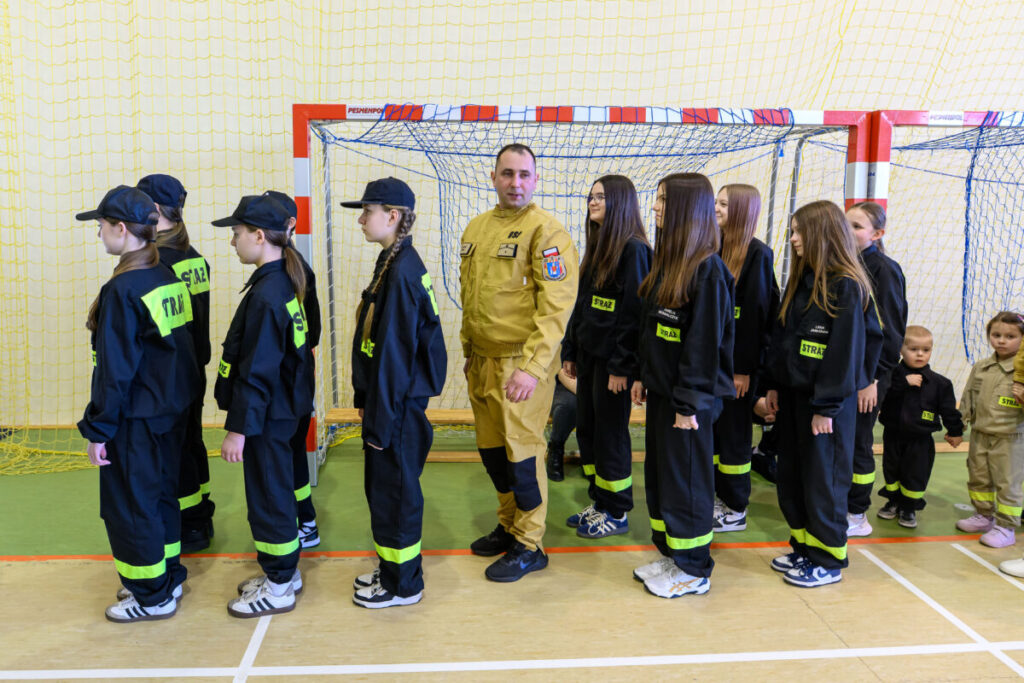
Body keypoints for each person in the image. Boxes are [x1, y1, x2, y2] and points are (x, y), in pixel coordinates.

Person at [76, 185, 200, 622]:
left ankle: (151, 595)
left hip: (136, 417)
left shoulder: (124, 289)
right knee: (162, 494)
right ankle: (167, 575)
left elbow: (116, 370)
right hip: (168, 413)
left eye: (102, 226)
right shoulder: (166, 277)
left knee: (132, 504)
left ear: (122, 229)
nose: (99, 235)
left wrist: (99, 429)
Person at [460, 143, 579, 582]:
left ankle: (530, 544)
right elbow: (471, 297)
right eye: (507, 174)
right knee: (494, 455)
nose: (516, 183)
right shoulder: (476, 228)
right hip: (482, 362)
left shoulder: (547, 233)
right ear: (493, 177)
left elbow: (557, 308)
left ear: (535, 179)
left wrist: (532, 369)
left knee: (523, 457)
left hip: (521, 365)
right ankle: (509, 526)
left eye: (524, 174)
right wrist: (468, 349)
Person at [763, 200, 881, 588]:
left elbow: (844, 355)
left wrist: (826, 407)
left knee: (823, 483)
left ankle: (828, 559)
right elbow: (784, 342)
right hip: (795, 399)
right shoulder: (803, 280)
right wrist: (776, 385)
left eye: (799, 231)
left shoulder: (847, 285)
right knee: (793, 479)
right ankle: (803, 548)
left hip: (826, 407)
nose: (793, 238)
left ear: (820, 234)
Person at [343, 177, 446, 608]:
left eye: (369, 211)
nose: (362, 219)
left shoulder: (402, 271)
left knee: (397, 496)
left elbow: (394, 358)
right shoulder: (393, 259)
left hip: (397, 411)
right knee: (385, 493)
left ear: (394, 216)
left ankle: (404, 585)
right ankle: (391, 571)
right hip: (388, 406)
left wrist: (379, 421)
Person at [630, 173, 735, 598]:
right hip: (664, 394)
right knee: (661, 480)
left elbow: (704, 347)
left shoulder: (709, 271)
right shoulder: (669, 262)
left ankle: (694, 569)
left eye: (661, 200)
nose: (654, 208)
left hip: (688, 404)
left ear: (685, 209)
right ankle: (674, 554)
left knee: (688, 483)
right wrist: (643, 375)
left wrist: (688, 404)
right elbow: (653, 333)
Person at [212, 193, 312, 617]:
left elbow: (257, 370)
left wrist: (239, 429)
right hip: (281, 411)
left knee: (268, 497)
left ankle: (279, 584)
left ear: (258, 235)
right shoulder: (280, 281)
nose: (232, 242)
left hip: (267, 417)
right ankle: (285, 573)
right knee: (276, 493)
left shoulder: (270, 293)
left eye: (236, 234)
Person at [562, 175, 652, 538]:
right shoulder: (598, 247)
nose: (592, 202)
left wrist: (622, 366)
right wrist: (570, 349)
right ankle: (600, 501)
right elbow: (581, 306)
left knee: (611, 436)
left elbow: (635, 315)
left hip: (614, 366)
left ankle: (617, 511)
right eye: (591, 196)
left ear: (620, 203)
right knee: (590, 430)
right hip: (589, 359)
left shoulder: (635, 250)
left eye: (601, 197)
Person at [136, 174, 215, 553]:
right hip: (192, 371)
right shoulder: (193, 258)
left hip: (168, 379)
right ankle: (199, 519)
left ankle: (187, 528)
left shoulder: (158, 263)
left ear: (152, 210)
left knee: (175, 454)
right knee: (192, 445)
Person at [710, 184, 779, 532]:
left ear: (740, 210)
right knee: (716, 436)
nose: (716, 208)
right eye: (716, 202)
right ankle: (717, 498)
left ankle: (735, 507)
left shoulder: (758, 255)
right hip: (714, 366)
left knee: (735, 438)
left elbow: (755, 317)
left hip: (737, 370)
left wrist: (743, 371)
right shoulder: (713, 247)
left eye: (723, 203)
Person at [845, 202, 908, 538]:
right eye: (846, 224)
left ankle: (857, 513)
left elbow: (891, 332)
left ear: (877, 234)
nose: (849, 230)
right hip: (847, 374)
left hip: (869, 377)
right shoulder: (846, 264)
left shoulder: (883, 269)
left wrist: (872, 378)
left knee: (858, 442)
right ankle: (841, 504)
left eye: (857, 226)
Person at [263, 190, 321, 549]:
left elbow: (308, 331)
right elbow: (310, 331)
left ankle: (301, 524)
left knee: (286, 455)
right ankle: (306, 520)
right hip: (297, 382)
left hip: (288, 386)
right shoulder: (294, 268)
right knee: (294, 452)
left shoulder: (287, 273)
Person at [876, 325, 963, 527]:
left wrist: (955, 431)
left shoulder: (940, 383)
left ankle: (909, 508)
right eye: (914, 349)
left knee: (915, 474)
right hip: (893, 435)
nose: (920, 354)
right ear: (901, 350)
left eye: (926, 350)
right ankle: (893, 502)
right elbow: (881, 397)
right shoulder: (890, 377)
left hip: (921, 440)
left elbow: (949, 411)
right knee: (891, 471)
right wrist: (902, 383)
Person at [955, 311, 1024, 548]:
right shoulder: (982, 367)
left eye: (1010, 336)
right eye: (996, 334)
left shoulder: (1021, 373)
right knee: (979, 477)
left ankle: (1006, 527)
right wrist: (959, 422)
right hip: (980, 434)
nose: (1002, 340)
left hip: (1010, 438)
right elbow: (967, 397)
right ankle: (984, 516)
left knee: (1007, 483)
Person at [545, 365, 578, 482]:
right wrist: (584, 393)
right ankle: (555, 449)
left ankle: (591, 455)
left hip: (599, 381)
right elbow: (562, 370)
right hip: (565, 383)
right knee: (567, 406)